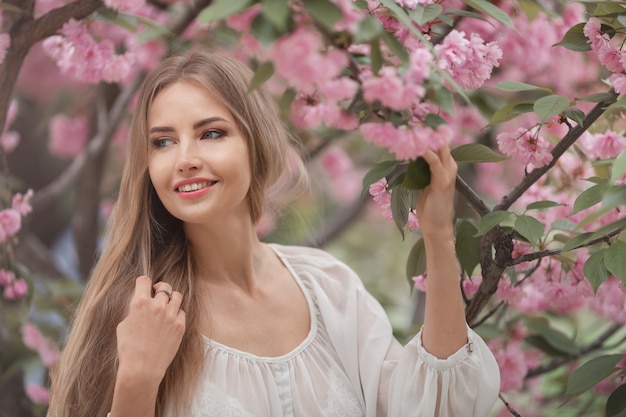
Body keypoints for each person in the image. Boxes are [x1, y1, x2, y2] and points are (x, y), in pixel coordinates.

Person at [47, 51, 500, 417]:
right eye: (163, 142)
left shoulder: (328, 287)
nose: (184, 157)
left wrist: (439, 238)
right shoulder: (141, 313)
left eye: (211, 133)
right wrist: (137, 382)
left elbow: (438, 408)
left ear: (256, 142)